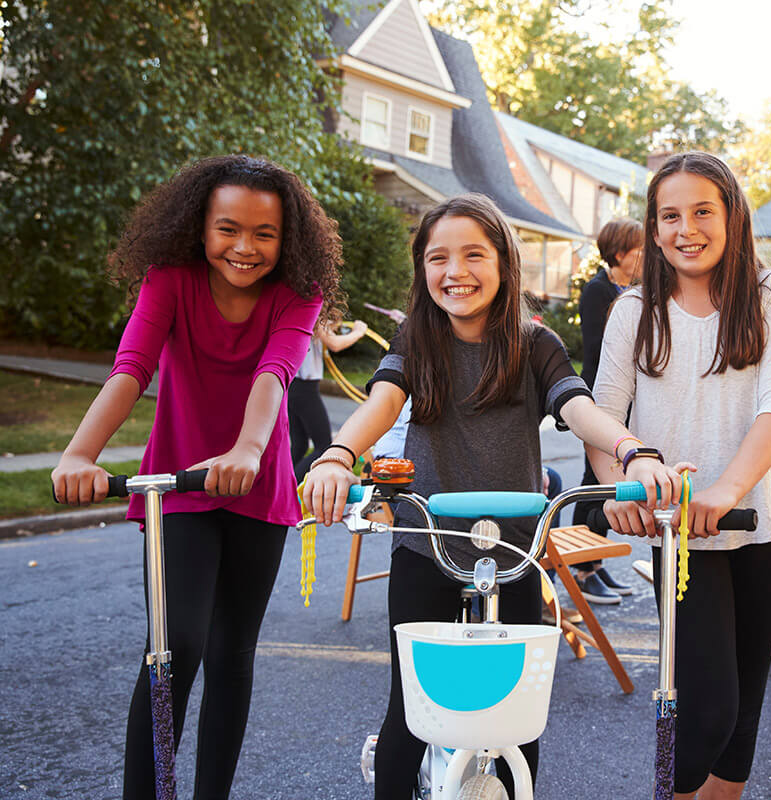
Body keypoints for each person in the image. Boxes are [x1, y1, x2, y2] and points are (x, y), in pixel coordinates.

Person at [301, 193, 682, 799]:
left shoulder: (534, 343)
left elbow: (577, 408)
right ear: (422, 270)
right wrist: (336, 456)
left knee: (517, 722)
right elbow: (382, 404)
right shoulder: (416, 340)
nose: (455, 272)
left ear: (504, 263)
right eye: (438, 258)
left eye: (474, 255)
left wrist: (634, 450)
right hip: (427, 544)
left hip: (515, 554)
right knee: (409, 712)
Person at [50, 155, 343, 799]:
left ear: (286, 240)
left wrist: (247, 449)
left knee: (233, 654)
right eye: (228, 229)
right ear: (199, 227)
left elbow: (277, 374)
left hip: (252, 484)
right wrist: (79, 453)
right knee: (173, 645)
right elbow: (131, 367)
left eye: (265, 234)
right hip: (176, 486)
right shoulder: (171, 279)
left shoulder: (297, 295)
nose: (245, 247)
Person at [590, 152, 771, 800]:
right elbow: (604, 416)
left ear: (731, 216)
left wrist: (726, 491)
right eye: (670, 215)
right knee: (706, 708)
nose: (686, 228)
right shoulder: (633, 310)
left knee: (743, 707)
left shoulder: (769, 294)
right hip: (681, 533)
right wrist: (617, 491)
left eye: (702, 212)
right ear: (653, 229)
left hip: (767, 517)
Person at [571, 216, 644, 604]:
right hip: (600, 397)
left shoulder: (636, 290)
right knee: (592, 486)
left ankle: (595, 562)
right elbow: (600, 352)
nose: (647, 257)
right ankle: (582, 567)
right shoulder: (598, 291)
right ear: (619, 254)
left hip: (629, 397)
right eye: (639, 251)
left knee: (612, 483)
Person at [289, 317, 368, 478]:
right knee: (323, 446)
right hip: (304, 387)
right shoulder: (312, 311)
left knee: (300, 445)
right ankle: (289, 491)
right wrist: (358, 332)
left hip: (292, 385)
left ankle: (278, 490)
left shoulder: (298, 310)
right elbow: (335, 344)